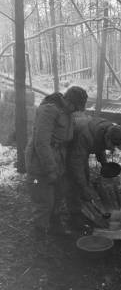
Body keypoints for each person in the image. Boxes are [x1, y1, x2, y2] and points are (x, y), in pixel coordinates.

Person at [25, 86, 88, 236]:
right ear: (70, 102)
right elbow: (41, 143)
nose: (76, 111)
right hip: (40, 162)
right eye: (76, 107)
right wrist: (50, 169)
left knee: (58, 193)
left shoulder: (68, 113)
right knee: (43, 199)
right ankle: (39, 234)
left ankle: (55, 228)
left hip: (59, 158)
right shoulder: (49, 110)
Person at [66, 115, 121, 218]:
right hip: (69, 148)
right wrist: (84, 187)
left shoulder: (107, 130)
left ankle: (82, 206)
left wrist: (104, 163)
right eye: (112, 144)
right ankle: (74, 214)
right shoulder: (86, 136)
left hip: (79, 150)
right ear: (107, 137)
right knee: (75, 180)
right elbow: (77, 164)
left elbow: (100, 144)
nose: (112, 148)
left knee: (84, 178)